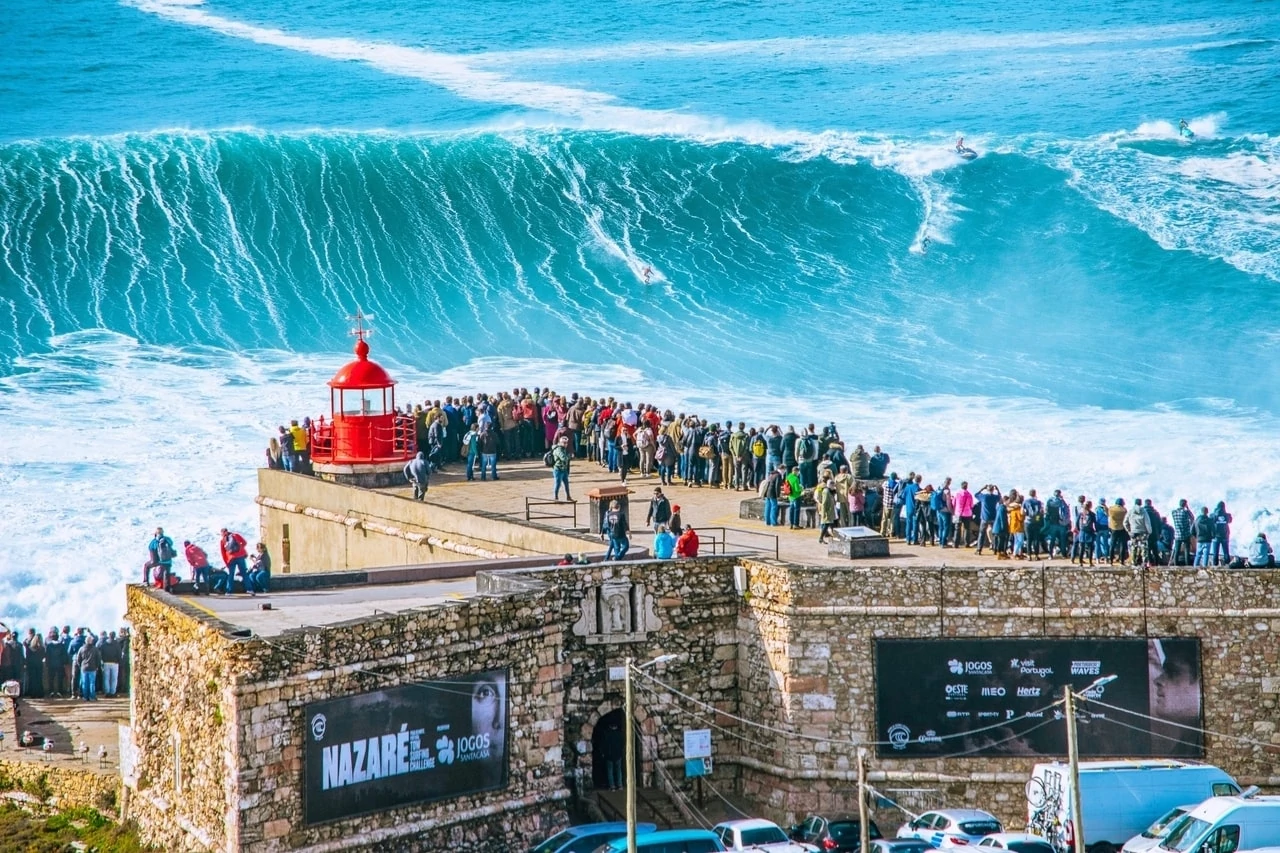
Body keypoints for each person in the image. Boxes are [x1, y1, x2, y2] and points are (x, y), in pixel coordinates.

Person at [220, 528, 250, 594]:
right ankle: (250, 589)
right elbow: (245, 542)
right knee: (244, 573)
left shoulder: (222, 541)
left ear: (222, 533)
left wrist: (226, 563)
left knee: (231, 575)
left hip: (231, 559)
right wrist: (240, 548)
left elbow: (223, 554)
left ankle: (229, 591)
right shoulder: (236, 535)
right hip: (240, 557)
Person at [600, 717, 625, 790]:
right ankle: (620, 785)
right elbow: (622, 744)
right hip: (618, 754)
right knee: (619, 770)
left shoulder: (607, 734)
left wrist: (603, 753)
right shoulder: (619, 734)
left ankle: (612, 786)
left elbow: (604, 744)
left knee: (610, 771)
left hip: (609, 755)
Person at [76, 635, 102, 702]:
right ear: (91, 641)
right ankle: (92, 697)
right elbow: (98, 659)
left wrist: (81, 666)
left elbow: (78, 659)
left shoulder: (81, 649)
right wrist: (97, 666)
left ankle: (85, 697)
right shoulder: (95, 649)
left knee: (85, 683)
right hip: (92, 668)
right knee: (92, 683)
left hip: (84, 668)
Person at [99, 631, 121, 697]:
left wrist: (102, 660)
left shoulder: (104, 644)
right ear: (114, 636)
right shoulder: (117, 644)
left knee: (106, 678)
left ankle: (107, 692)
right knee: (114, 678)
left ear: (109, 635)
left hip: (106, 662)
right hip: (115, 663)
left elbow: (101, 653)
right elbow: (119, 653)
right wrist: (118, 661)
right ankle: (113, 692)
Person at [551, 436, 573, 501]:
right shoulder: (559, 449)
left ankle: (568, 496)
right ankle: (555, 497)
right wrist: (569, 456)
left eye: (566, 443)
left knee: (566, 484)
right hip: (558, 470)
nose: (565, 444)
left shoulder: (563, 448)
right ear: (560, 442)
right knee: (558, 484)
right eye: (564, 442)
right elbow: (563, 458)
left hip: (564, 469)